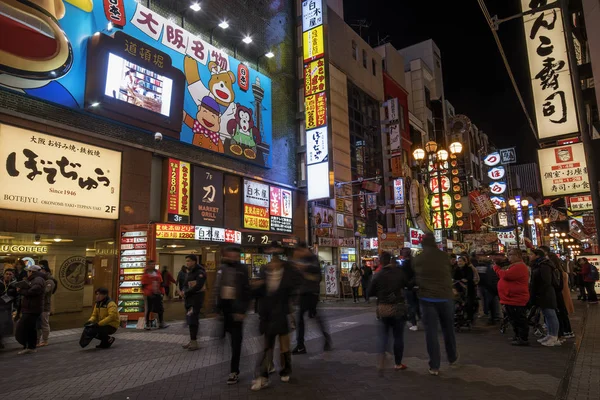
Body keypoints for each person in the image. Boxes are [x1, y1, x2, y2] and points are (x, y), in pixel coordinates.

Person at [251, 241, 302, 391]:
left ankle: (285, 369)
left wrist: (291, 303)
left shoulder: (289, 269)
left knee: (284, 344)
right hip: (266, 312)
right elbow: (258, 291)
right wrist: (256, 287)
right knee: (267, 345)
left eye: (276, 253)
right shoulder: (264, 269)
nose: (273, 259)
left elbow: (295, 286)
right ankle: (263, 376)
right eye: (271, 253)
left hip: (282, 310)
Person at [413, 234, 459, 376]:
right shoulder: (444, 256)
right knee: (448, 328)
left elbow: (414, 276)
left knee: (431, 333)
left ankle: (434, 366)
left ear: (422, 244)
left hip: (427, 299)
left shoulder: (418, 259)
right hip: (445, 297)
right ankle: (452, 357)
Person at [214, 246, 250, 385]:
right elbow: (217, 288)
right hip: (224, 309)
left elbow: (246, 291)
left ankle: (234, 371)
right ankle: (233, 363)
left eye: (235, 256)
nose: (232, 258)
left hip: (237, 311)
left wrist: (242, 311)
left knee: (236, 341)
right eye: (230, 255)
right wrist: (215, 308)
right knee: (222, 338)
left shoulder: (242, 269)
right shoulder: (221, 268)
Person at [368, 251, 410, 373]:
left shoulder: (378, 275)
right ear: (391, 261)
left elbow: (369, 292)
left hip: (384, 308)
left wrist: (380, 293)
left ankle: (382, 356)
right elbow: (407, 285)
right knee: (398, 336)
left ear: (381, 261)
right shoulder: (398, 272)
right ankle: (398, 363)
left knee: (384, 335)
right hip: (397, 307)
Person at [292, 241, 332, 355]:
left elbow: (317, 277)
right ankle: (302, 344)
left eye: (299, 251)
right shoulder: (303, 260)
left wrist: (302, 269)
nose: (298, 253)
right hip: (304, 293)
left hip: (311, 294)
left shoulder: (313, 259)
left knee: (307, 317)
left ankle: (302, 345)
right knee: (308, 317)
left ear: (303, 250)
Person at [494, 249, 530, 346]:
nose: (508, 257)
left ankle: (522, 338)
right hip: (511, 298)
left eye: (511, 255)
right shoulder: (514, 266)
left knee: (519, 319)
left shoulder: (519, 266)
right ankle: (518, 336)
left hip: (516, 298)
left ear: (518, 256)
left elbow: (505, 275)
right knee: (514, 319)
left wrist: (497, 268)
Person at [540, 246, 574, 339]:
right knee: (561, 314)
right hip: (561, 295)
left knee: (559, 314)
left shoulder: (556, 271)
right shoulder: (559, 270)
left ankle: (561, 333)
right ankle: (565, 331)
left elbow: (556, 285)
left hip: (558, 295)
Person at [530, 249, 560, 346]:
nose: (529, 256)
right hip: (543, 293)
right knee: (547, 315)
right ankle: (550, 335)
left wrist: (539, 291)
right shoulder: (540, 264)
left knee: (551, 315)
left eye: (531, 254)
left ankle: (554, 337)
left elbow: (546, 281)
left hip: (546, 293)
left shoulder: (544, 265)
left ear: (537, 255)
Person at [15, 265, 45, 354]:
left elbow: (34, 291)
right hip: (31, 308)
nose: (27, 273)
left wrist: (21, 291)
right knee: (30, 328)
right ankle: (30, 347)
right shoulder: (35, 279)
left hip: (32, 309)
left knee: (23, 327)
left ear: (32, 272)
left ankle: (28, 346)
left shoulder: (38, 280)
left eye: (28, 271)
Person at [182, 255, 207, 351]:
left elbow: (198, 286)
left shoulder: (200, 272)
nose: (187, 263)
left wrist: (186, 292)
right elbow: (185, 284)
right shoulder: (190, 272)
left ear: (194, 261)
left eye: (188, 261)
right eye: (186, 261)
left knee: (193, 320)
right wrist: (184, 290)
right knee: (190, 320)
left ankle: (194, 342)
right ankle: (192, 340)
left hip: (196, 300)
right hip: (189, 300)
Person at [141, 261, 168, 330]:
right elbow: (143, 286)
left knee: (160, 309)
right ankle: (147, 323)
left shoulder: (157, 273)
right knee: (148, 309)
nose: (152, 265)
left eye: (153, 264)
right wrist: (147, 293)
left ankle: (161, 322)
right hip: (149, 294)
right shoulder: (145, 275)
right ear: (148, 265)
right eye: (151, 264)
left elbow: (161, 283)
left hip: (157, 293)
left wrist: (162, 292)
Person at [399, 247, 419, 331]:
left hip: (408, 286)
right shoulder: (414, 261)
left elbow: (403, 276)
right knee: (416, 303)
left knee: (410, 305)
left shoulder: (404, 263)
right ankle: (421, 319)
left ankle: (414, 323)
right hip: (416, 285)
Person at [37, 262, 56, 347]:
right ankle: (38, 340)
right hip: (39, 305)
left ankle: (45, 340)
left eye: (41, 270)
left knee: (44, 323)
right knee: (39, 324)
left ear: (44, 271)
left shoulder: (50, 281)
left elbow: (45, 291)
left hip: (45, 306)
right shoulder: (42, 280)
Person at [453, 256, 477, 323]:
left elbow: (470, 277)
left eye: (460, 261)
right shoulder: (456, 269)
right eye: (458, 261)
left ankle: (470, 318)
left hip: (469, 289)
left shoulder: (469, 269)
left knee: (469, 304)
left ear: (464, 262)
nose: (459, 263)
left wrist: (466, 280)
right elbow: (454, 277)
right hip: (460, 289)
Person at [0, 269, 18, 349]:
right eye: (6, 274)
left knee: (4, 325)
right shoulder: (0, 283)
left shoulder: (15, 284)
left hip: (7, 308)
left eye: (10, 274)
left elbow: (17, 297)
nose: (8, 275)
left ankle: (1, 340)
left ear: (13, 275)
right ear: (4, 274)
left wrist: (16, 308)